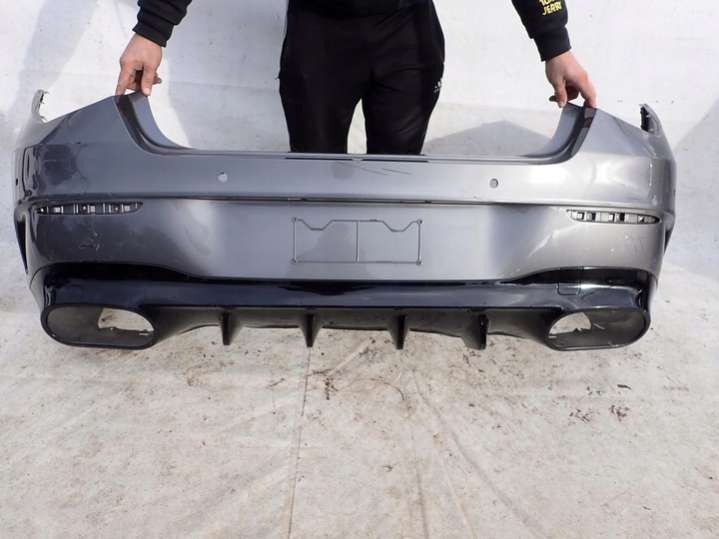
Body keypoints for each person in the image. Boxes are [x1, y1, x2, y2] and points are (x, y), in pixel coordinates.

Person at [116, 0, 597, 154]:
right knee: (315, 175)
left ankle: (387, 287)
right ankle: (323, 285)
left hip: (408, 39)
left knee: (396, 178)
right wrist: (151, 31)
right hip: (318, 39)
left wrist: (555, 45)